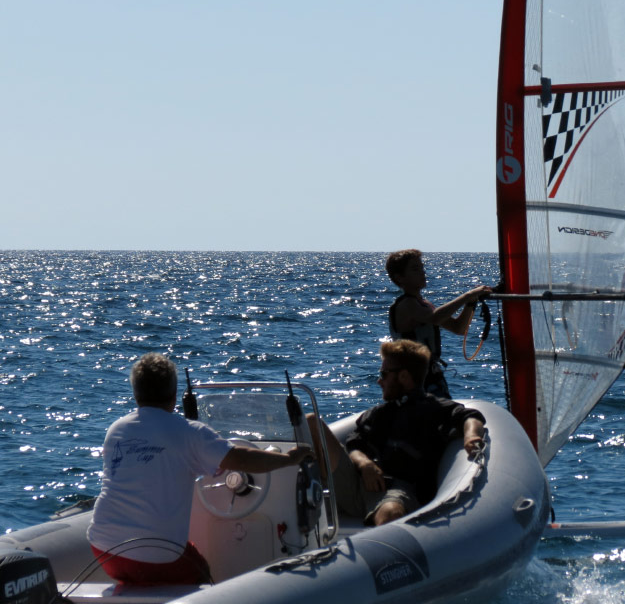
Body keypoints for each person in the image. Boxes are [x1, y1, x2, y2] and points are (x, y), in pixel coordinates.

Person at [87, 353, 313, 586]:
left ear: (136, 395)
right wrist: (288, 458)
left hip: (103, 548)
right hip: (157, 558)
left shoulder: (117, 429)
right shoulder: (190, 433)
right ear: (174, 396)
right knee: (200, 571)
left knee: (176, 555)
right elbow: (241, 459)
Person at [321, 340, 485, 527]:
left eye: (384, 374)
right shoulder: (378, 414)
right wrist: (364, 464)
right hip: (358, 483)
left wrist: (472, 436)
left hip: (395, 490)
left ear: (405, 377)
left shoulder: (436, 410)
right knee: (312, 423)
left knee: (391, 512)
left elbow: (470, 417)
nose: (379, 380)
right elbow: (354, 444)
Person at [385, 249, 491, 398]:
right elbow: (435, 317)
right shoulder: (406, 305)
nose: (422, 272)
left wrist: (470, 303)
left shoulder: (425, 305)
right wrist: (468, 295)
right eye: (415, 269)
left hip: (431, 373)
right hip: (412, 377)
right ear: (400, 277)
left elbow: (458, 328)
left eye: (422, 268)